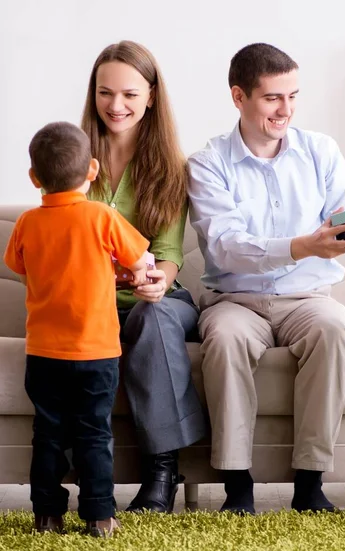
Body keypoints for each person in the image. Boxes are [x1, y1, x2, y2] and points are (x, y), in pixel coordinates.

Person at [187, 43, 345, 514]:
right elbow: (225, 244)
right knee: (224, 339)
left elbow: (342, 223)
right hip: (235, 299)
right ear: (238, 96)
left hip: (308, 295)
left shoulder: (320, 151)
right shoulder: (208, 163)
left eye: (293, 96)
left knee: (334, 327)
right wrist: (301, 245)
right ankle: (236, 484)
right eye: (272, 98)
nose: (285, 109)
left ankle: (310, 483)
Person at [4, 122, 150, 537]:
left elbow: (19, 267)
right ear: (92, 170)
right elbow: (140, 262)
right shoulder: (102, 216)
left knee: (48, 435)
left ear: (35, 178)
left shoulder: (28, 224)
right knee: (93, 434)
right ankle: (99, 515)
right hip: (96, 353)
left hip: (44, 354)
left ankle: (47, 515)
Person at [81, 40, 207, 513]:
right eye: (105, 92)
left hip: (157, 299)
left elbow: (170, 253)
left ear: (151, 97)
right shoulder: (75, 162)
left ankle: (162, 471)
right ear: (93, 95)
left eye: (130, 94)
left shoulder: (171, 168)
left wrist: (157, 279)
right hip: (94, 301)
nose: (117, 105)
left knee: (154, 319)